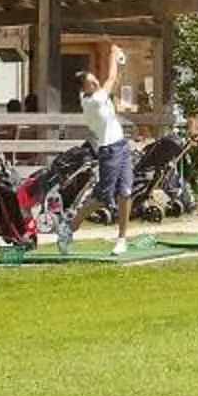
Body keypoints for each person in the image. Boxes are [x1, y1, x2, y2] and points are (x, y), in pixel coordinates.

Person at [78, 45, 136, 256]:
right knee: (103, 197)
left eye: (95, 79)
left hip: (121, 146)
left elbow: (114, 81)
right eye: (90, 81)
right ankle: (71, 226)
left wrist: (119, 63)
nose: (95, 82)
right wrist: (112, 53)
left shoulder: (100, 97)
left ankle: (122, 238)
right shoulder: (92, 101)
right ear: (84, 88)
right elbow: (110, 80)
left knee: (126, 192)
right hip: (108, 151)